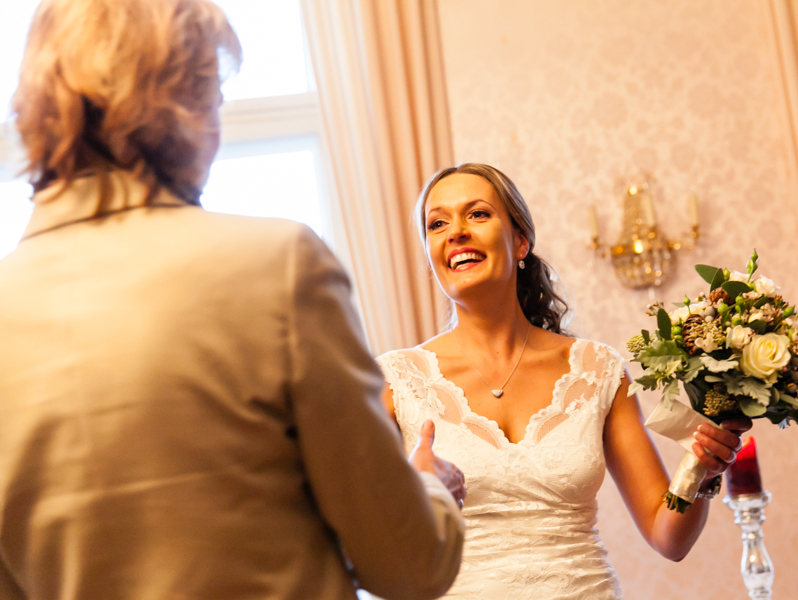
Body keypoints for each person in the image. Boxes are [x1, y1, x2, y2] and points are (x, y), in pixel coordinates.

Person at [0, 1, 465, 599]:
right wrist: (427, 486)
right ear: (182, 105)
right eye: (216, 95)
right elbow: (408, 564)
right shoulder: (280, 267)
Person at [377, 163, 751, 599]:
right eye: (437, 223)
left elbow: (668, 537)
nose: (455, 231)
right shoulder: (393, 382)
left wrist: (701, 470)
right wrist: (415, 491)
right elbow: (368, 552)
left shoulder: (598, 369)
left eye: (477, 214)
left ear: (521, 241)